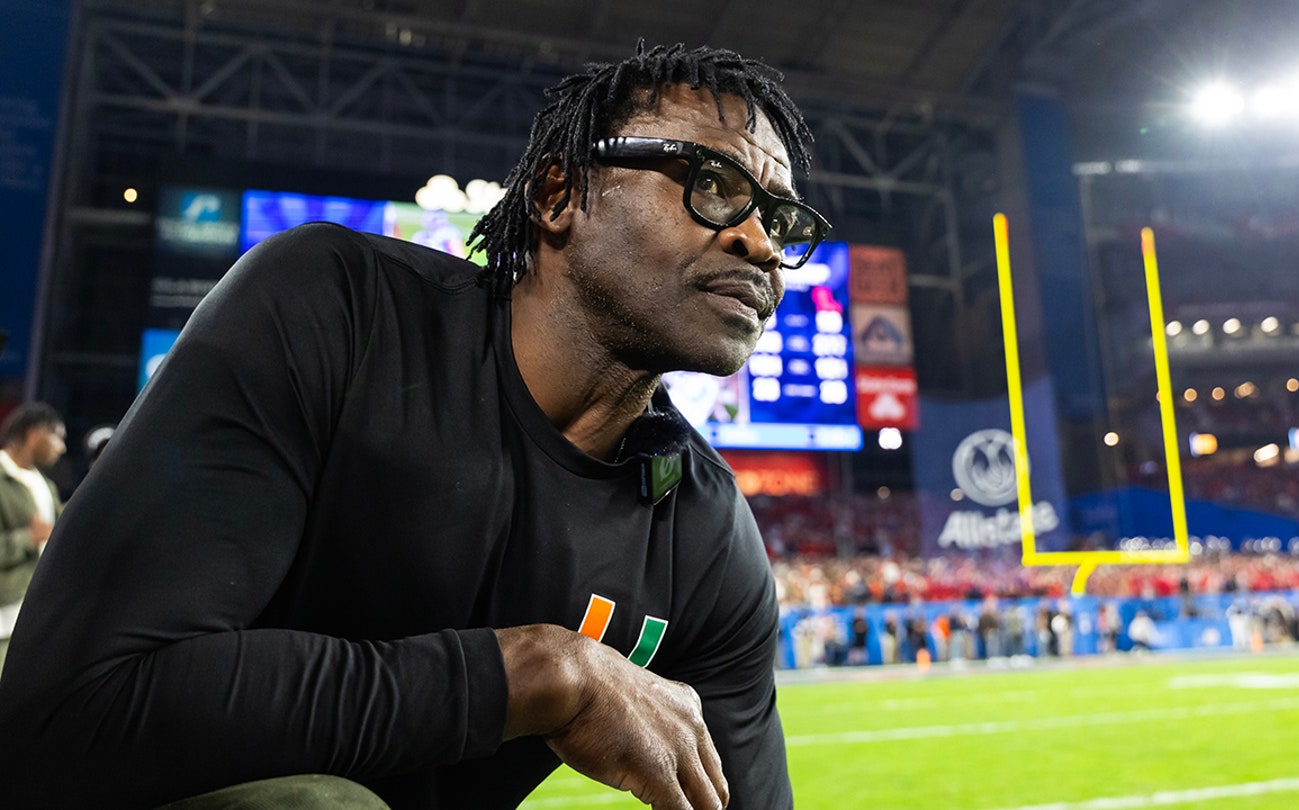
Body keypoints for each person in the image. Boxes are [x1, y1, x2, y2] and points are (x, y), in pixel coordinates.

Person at [0, 43, 829, 810]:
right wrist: (537, 675)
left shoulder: (707, 532)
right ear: (558, 196)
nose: (762, 243)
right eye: (712, 184)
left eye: (784, 222)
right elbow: (70, 714)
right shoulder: (332, 310)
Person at [0, 402, 66, 673]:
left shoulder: (45, 485)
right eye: (56, 436)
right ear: (33, 434)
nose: (61, 447)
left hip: (34, 617)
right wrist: (29, 538)